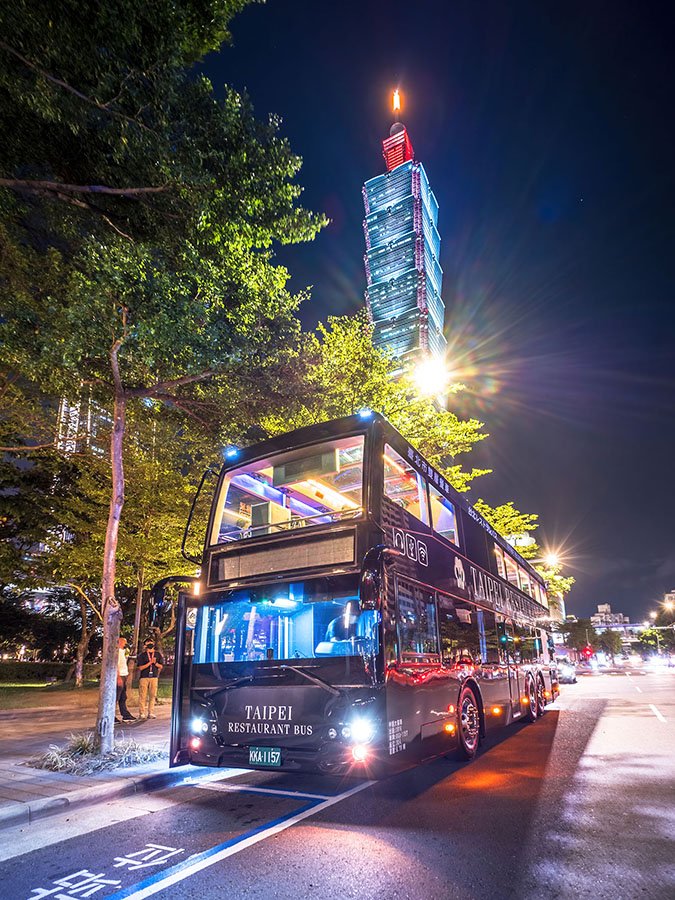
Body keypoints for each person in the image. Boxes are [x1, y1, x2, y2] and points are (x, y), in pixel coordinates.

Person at [136, 638, 164, 719]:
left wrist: (155, 663)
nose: (150, 644)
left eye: (151, 642)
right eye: (148, 642)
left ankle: (151, 712)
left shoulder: (158, 654)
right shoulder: (142, 655)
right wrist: (150, 663)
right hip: (144, 677)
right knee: (143, 695)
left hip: (154, 677)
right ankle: (142, 713)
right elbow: (140, 668)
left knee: (152, 695)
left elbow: (161, 666)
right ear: (145, 645)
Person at [116, 637, 136, 723]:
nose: (125, 644)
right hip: (119, 676)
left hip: (124, 675)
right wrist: (118, 678)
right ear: (119, 642)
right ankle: (111, 716)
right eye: (124, 642)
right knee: (116, 697)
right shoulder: (116, 652)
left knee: (123, 697)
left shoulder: (123, 652)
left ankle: (125, 715)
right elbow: (115, 666)